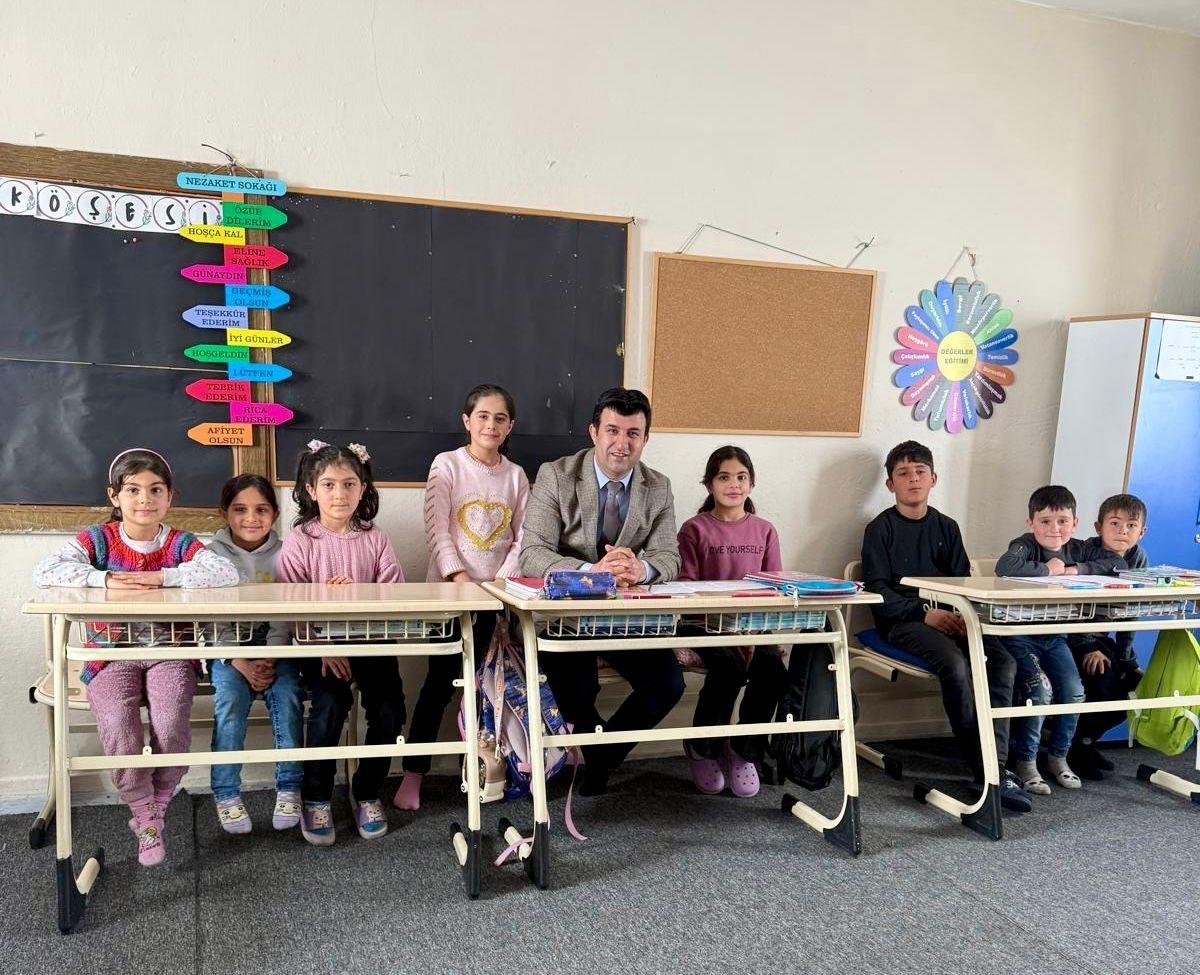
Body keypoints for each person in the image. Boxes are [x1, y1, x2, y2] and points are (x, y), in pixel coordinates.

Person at [32, 448, 238, 865]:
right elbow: (45, 571)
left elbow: (225, 572)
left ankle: (158, 802)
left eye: (156, 490)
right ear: (115, 495)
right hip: (110, 656)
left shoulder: (179, 542)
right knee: (118, 727)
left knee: (171, 722)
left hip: (169, 653)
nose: (145, 499)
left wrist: (164, 576)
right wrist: (105, 579)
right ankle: (142, 810)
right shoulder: (97, 540)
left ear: (170, 496)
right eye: (133, 490)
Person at [519, 387, 684, 795]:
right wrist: (592, 572)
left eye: (633, 433)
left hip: (625, 616)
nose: (621, 443)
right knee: (575, 687)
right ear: (594, 432)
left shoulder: (658, 486)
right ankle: (599, 760)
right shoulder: (556, 475)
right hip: (565, 616)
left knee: (668, 683)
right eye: (612, 430)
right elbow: (532, 553)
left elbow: (669, 556)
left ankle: (602, 757)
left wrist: (641, 568)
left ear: (646, 438)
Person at [861, 441, 1030, 812]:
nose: (913, 479)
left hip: (953, 618)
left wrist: (960, 616)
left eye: (920, 472)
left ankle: (999, 763)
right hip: (903, 622)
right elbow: (877, 589)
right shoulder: (880, 530)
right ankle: (984, 768)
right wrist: (924, 613)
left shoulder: (947, 527)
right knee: (954, 664)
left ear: (933, 478)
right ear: (890, 484)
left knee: (1002, 662)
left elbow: (961, 583)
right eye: (903, 474)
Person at [394, 384, 529, 812]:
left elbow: (522, 536)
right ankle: (414, 774)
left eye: (500, 418)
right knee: (439, 685)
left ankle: (484, 771)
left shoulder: (516, 476)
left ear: (510, 426)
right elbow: (437, 529)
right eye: (483, 416)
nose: (491, 425)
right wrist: (461, 578)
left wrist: (498, 585)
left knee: (489, 689)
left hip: (498, 599)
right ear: (467, 421)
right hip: (451, 596)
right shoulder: (447, 464)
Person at [276, 441, 405, 845]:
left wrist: (359, 595)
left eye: (349, 484)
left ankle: (367, 790)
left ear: (363, 488)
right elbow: (289, 605)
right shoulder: (300, 540)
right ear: (311, 490)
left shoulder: (375, 538)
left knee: (389, 710)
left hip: (371, 641)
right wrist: (324, 646)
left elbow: (395, 593)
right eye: (328, 485)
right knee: (330, 705)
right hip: (320, 647)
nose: (339, 494)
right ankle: (316, 795)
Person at [676, 446, 785, 798]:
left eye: (741, 477)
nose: (733, 485)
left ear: (751, 483)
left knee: (773, 671)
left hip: (753, 625)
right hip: (704, 625)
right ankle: (702, 748)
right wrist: (726, 626)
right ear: (709, 484)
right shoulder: (694, 529)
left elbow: (774, 587)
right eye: (724, 477)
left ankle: (744, 750)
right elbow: (686, 591)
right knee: (729, 669)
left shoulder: (765, 530)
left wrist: (757, 631)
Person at [995, 485, 1113, 794]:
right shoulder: (1024, 545)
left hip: (1056, 637)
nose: (1054, 529)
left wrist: (1076, 569)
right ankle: (1026, 761)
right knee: (1041, 690)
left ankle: (1059, 757)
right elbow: (1005, 567)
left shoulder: (1078, 549)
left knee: (1074, 691)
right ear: (1030, 523)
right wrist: (1047, 570)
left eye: (1063, 521)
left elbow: (1117, 564)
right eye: (1045, 521)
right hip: (1021, 637)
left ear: (1075, 523)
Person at [206, 474, 305, 834]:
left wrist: (270, 657)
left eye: (261, 510)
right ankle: (226, 793)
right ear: (224, 513)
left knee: (289, 695)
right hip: (228, 651)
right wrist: (241, 662)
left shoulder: (287, 553)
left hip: (277, 646)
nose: (251, 518)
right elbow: (209, 618)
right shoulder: (209, 556)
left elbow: (286, 611)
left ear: (275, 514)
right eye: (240, 509)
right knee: (230, 700)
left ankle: (290, 786)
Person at [1068, 493, 1149, 778]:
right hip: (1075, 635)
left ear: (1142, 532)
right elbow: (1071, 608)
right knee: (1102, 681)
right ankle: (1074, 747)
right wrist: (1088, 645)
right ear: (1098, 526)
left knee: (1136, 684)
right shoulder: (1083, 553)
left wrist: (1127, 659)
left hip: (1104, 640)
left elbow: (1131, 611)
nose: (1122, 531)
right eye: (1114, 523)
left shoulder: (1138, 558)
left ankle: (1086, 741)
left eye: (1131, 525)